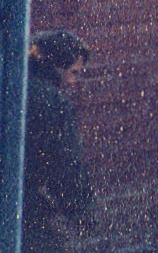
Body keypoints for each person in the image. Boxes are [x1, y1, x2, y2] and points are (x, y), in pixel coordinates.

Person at [23, 30, 92, 253]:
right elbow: (65, 166)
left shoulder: (11, 83)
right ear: (57, 66)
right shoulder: (53, 102)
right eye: (73, 72)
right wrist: (80, 211)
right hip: (26, 206)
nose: (73, 81)